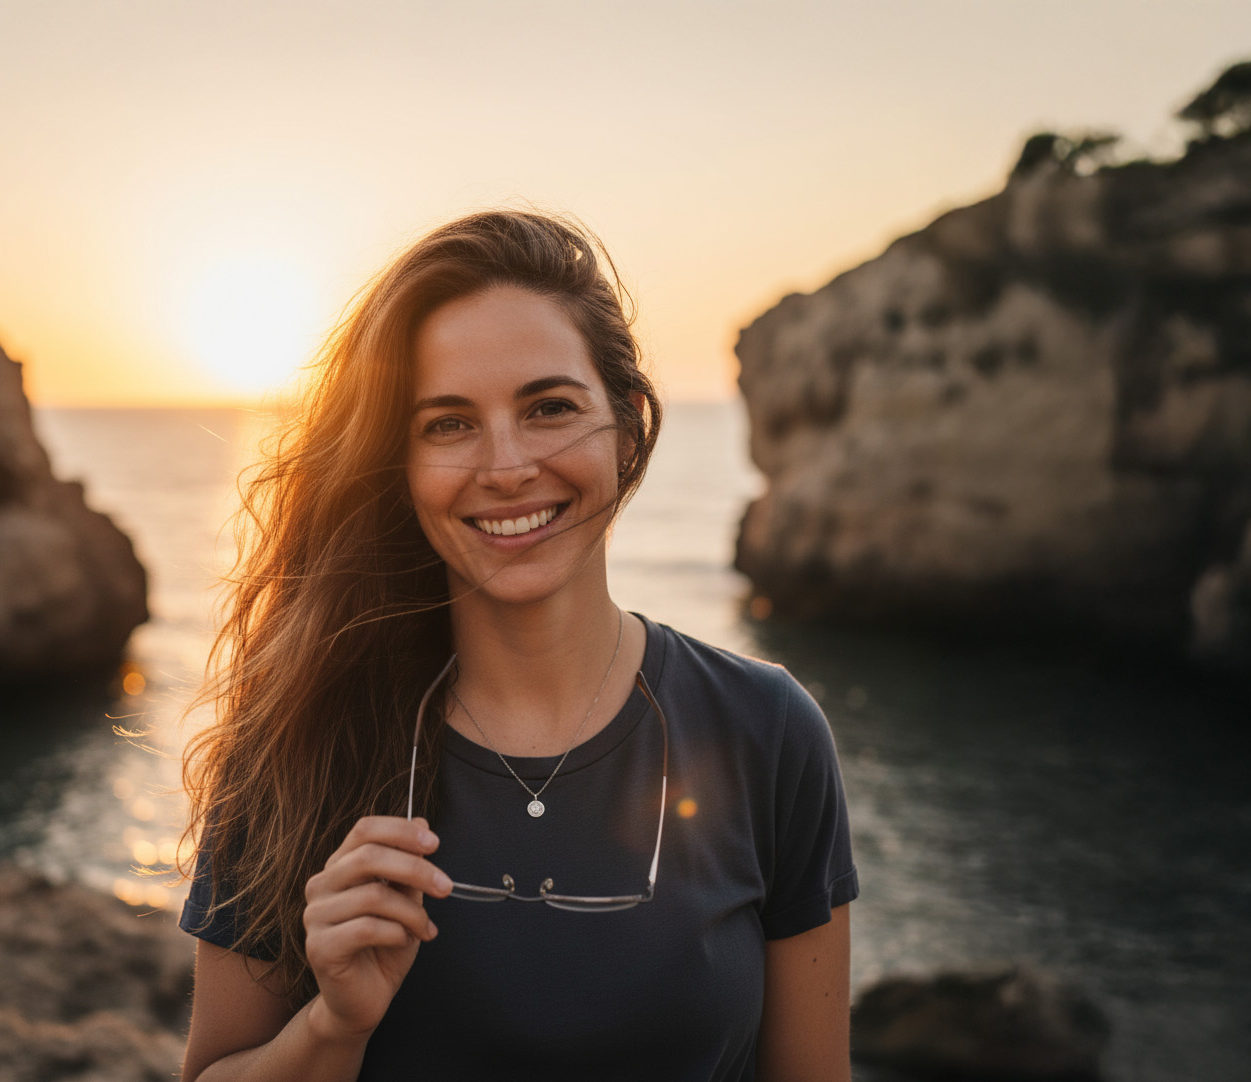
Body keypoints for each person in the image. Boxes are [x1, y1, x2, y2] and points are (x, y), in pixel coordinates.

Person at [175, 209, 857, 1081]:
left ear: (628, 427)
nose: (504, 467)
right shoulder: (296, 740)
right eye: (447, 424)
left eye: (549, 408)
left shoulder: (766, 730)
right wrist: (333, 1026)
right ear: (401, 465)